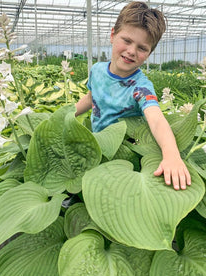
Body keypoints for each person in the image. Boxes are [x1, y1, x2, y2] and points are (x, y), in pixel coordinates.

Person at [75, 1, 191, 190]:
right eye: (127, 41)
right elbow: (90, 98)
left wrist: (172, 156)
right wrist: (67, 115)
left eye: (142, 48)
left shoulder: (141, 87)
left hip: (124, 157)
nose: (131, 51)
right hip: (97, 146)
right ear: (113, 35)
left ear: (149, 53)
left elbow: (156, 120)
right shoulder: (96, 71)